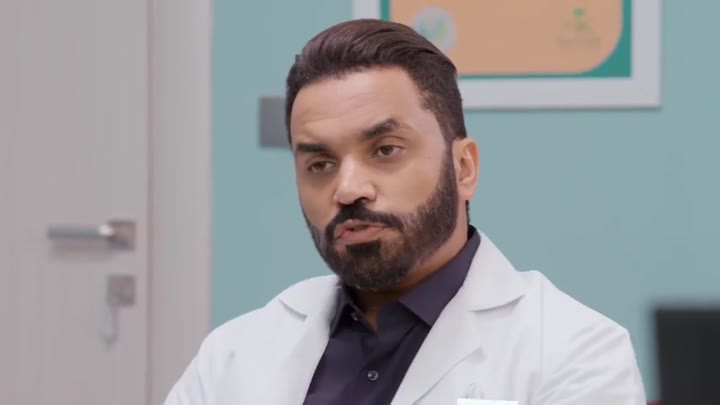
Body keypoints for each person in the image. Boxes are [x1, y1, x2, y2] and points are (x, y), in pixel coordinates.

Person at [164, 19, 647, 405]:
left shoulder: (574, 354)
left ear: (463, 167)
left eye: (385, 150)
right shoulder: (234, 355)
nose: (347, 189)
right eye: (320, 164)